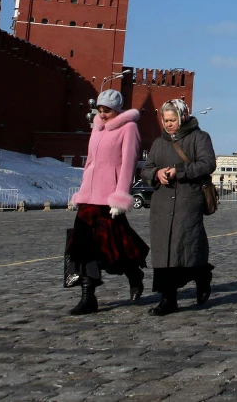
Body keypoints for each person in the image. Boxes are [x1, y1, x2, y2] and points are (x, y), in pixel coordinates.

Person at [65, 89, 149, 315]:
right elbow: (90, 163)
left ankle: (134, 274)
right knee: (83, 247)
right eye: (100, 110)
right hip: (89, 198)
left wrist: (120, 197)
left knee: (115, 247)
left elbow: (129, 164)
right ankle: (88, 296)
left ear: (117, 109)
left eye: (107, 110)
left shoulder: (128, 128)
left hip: (109, 199)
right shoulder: (97, 128)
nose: (102, 114)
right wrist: (81, 193)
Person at [141, 99, 216, 316]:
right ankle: (168, 299)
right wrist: (156, 174)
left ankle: (202, 276)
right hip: (162, 205)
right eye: (165, 120)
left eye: (173, 120)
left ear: (182, 117)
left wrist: (178, 171)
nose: (169, 124)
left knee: (186, 247)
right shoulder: (158, 143)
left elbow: (207, 163)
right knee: (163, 252)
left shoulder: (199, 137)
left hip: (187, 202)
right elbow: (146, 169)